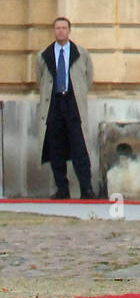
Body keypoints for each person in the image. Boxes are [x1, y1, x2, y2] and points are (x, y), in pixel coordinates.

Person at [37, 17, 95, 199]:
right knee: (56, 148)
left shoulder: (81, 54)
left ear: (69, 30)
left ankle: (86, 188)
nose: (61, 31)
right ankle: (62, 188)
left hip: (73, 104)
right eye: (57, 28)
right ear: (54, 31)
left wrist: (77, 92)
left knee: (79, 148)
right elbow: (40, 79)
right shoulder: (43, 55)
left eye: (64, 28)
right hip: (54, 105)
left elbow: (88, 77)